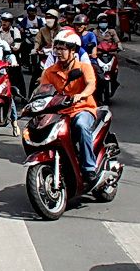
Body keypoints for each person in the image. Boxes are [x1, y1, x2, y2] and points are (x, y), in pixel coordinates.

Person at [38, 30, 101, 187]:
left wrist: (81, 95)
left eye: (63, 49)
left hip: (82, 108)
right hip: (59, 112)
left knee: (80, 125)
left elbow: (91, 85)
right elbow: (43, 90)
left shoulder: (84, 68)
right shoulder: (50, 71)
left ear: (73, 51)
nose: (58, 52)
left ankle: (89, 168)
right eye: (57, 48)